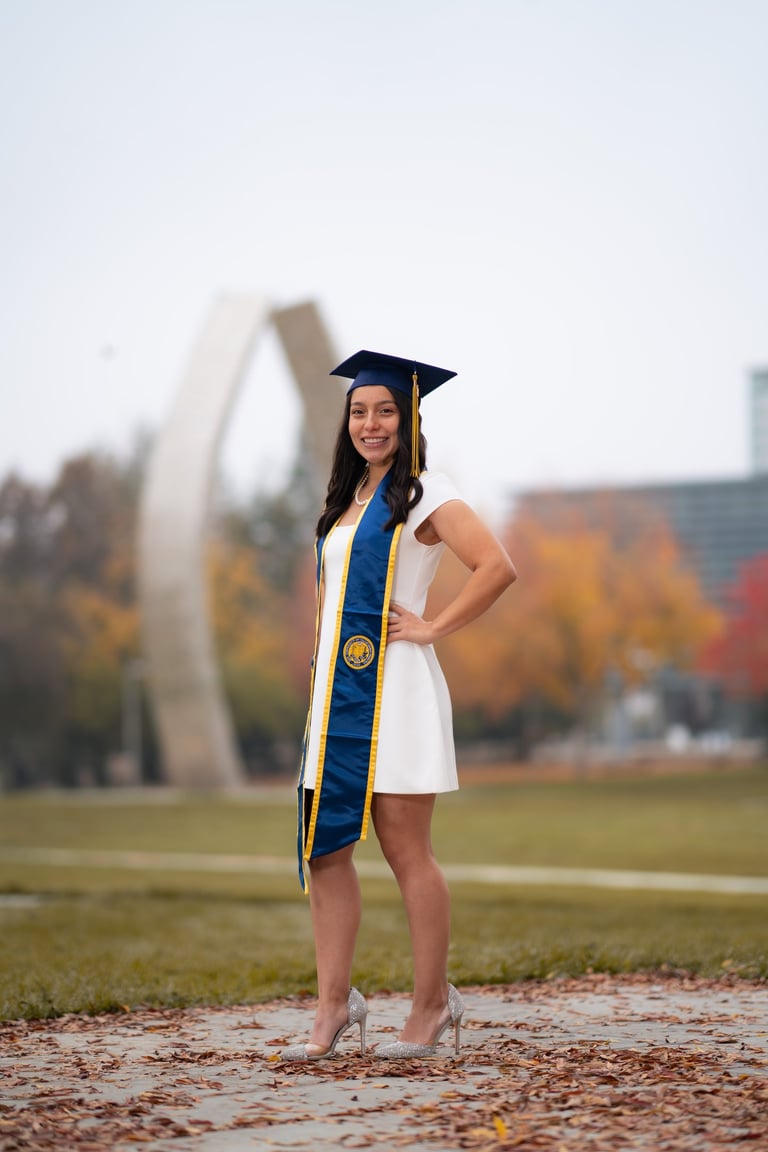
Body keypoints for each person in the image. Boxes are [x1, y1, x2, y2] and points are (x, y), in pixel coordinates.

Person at [283, 350, 516, 1062]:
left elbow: (497, 566)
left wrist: (432, 625)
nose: (371, 423)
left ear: (408, 419)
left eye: (385, 410)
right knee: (327, 853)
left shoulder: (424, 494)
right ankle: (332, 1009)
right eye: (359, 411)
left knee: (406, 851)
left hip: (400, 695)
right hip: (337, 701)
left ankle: (430, 1005)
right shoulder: (344, 503)